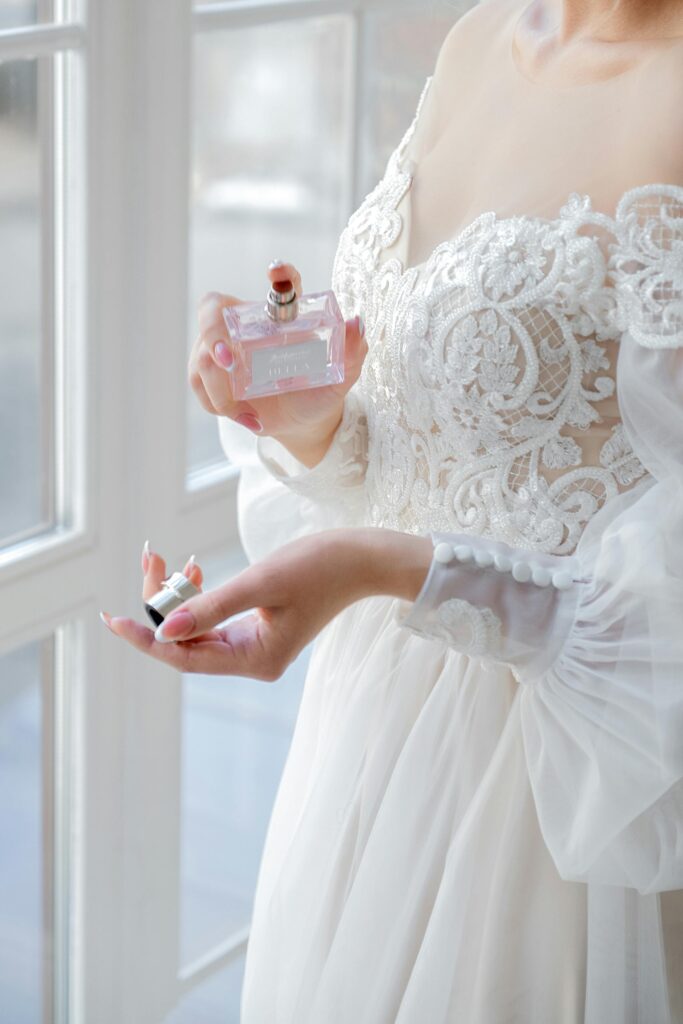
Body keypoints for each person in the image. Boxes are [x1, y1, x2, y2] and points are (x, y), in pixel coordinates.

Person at [101, 0, 683, 1019]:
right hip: (371, 732)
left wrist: (380, 569)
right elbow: (422, 440)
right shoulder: (476, 39)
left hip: (550, 791)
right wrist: (312, 424)